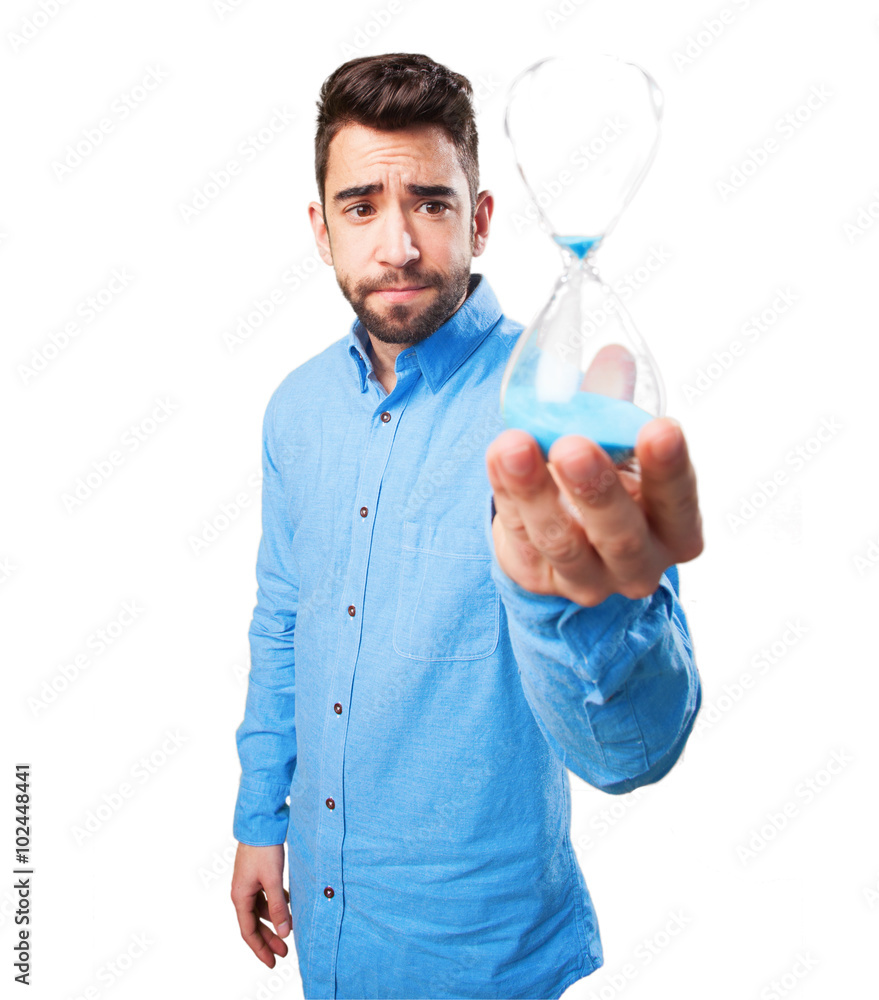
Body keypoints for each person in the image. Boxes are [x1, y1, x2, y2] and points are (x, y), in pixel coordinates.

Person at [230, 52, 704, 1000]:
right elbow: (284, 619)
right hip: (330, 925)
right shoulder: (296, 410)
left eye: (432, 204)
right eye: (362, 206)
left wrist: (591, 611)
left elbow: (634, 752)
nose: (398, 244)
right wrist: (259, 820)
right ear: (320, 231)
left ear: (479, 219)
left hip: (486, 953)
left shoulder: (550, 400)